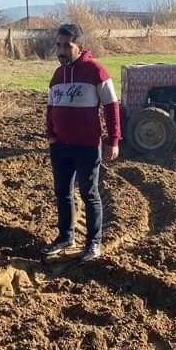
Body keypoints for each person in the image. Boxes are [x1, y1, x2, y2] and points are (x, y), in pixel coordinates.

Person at [42, 24, 121, 262]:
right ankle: (66, 236)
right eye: (59, 45)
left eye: (68, 45)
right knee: (62, 193)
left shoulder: (96, 71)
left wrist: (113, 140)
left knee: (89, 193)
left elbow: (112, 107)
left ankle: (93, 243)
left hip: (87, 146)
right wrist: (51, 135)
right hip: (60, 146)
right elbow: (50, 107)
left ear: (80, 47)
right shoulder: (57, 75)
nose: (62, 50)